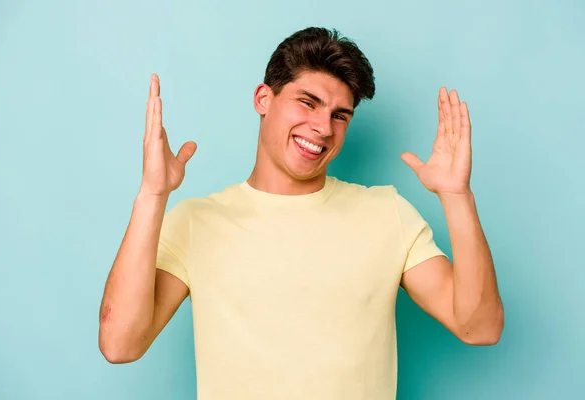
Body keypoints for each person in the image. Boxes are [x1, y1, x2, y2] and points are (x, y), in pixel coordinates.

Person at [98, 27, 504, 399]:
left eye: (339, 116)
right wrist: (152, 194)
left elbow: (480, 327)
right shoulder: (196, 221)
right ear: (263, 98)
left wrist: (457, 195)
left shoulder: (386, 213)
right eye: (307, 103)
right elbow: (119, 344)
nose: (323, 128)